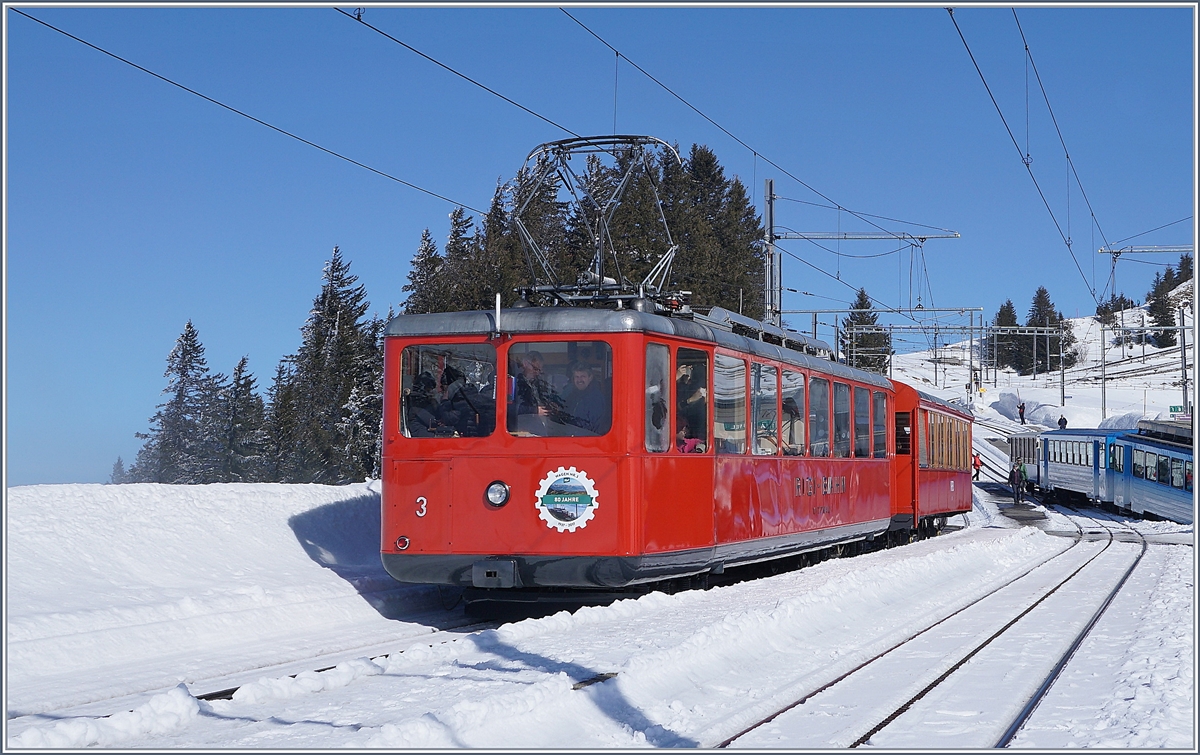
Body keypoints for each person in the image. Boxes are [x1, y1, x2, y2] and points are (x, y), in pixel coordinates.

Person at [562, 362, 609, 434]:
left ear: (590, 378)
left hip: (588, 440)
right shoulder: (571, 396)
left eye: (583, 376)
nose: (579, 380)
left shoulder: (596, 398)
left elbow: (591, 426)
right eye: (576, 377)